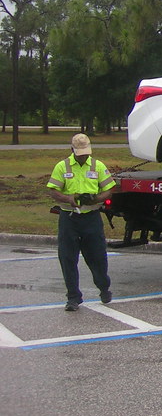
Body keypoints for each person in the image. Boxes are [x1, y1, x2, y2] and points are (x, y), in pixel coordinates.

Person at [45, 133, 117, 311]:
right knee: (67, 258)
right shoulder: (62, 167)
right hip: (69, 218)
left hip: (91, 218)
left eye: (86, 153)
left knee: (98, 257)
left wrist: (96, 198)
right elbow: (53, 190)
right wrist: (68, 198)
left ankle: (103, 287)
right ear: (72, 150)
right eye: (81, 153)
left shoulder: (97, 165)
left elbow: (110, 188)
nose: (84, 156)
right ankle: (73, 297)